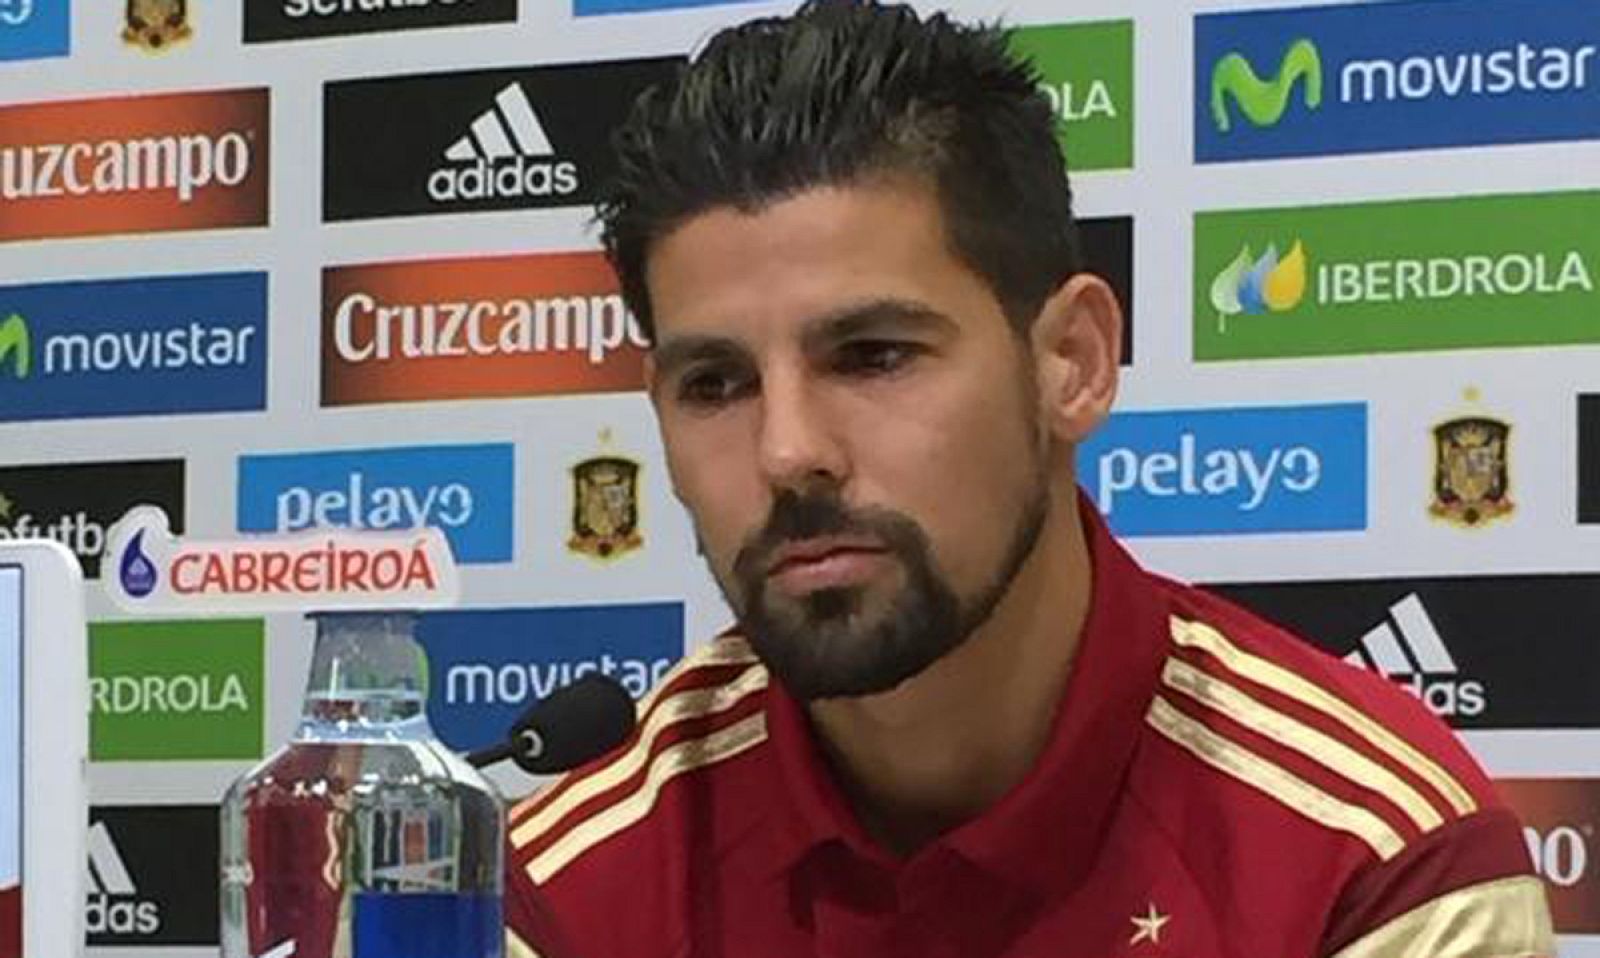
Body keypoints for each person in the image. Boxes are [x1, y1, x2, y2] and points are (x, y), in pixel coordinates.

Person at [504, 2, 1555, 955]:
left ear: (1073, 363)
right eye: (715, 382)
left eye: (872, 354)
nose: (787, 451)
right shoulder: (562, 890)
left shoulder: (1369, 861)